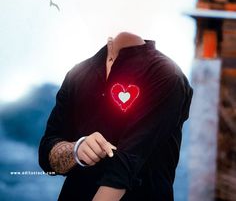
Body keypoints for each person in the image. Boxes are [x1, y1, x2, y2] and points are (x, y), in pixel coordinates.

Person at [38, 32, 193, 201]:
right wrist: (77, 149)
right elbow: (47, 158)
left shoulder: (167, 74)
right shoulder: (77, 73)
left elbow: (124, 168)